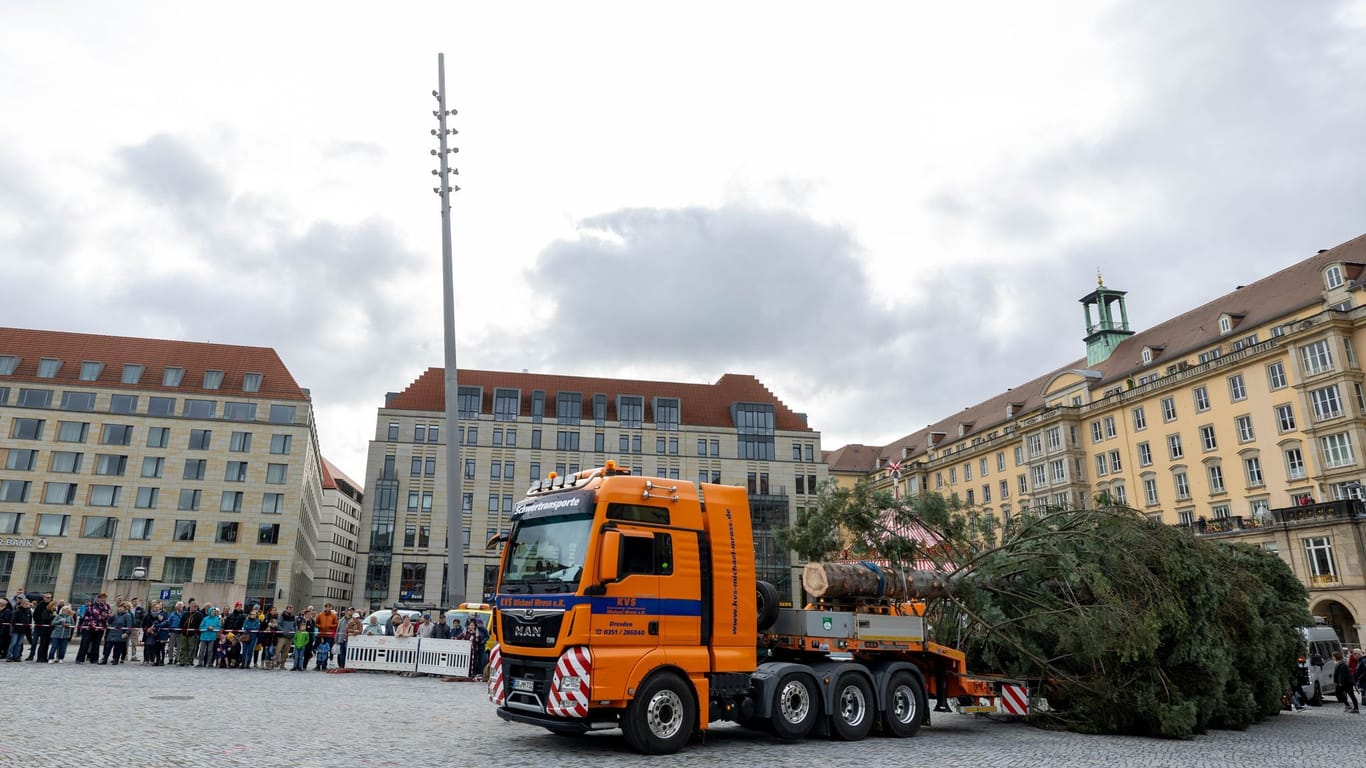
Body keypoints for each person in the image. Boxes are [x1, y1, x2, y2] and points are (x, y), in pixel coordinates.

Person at [29, 593, 53, 662]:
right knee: (37, 642)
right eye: (47, 597)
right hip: (40, 626)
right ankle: (38, 657)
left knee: (46, 643)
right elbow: (35, 615)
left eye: (49, 597)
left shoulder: (51, 605)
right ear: (44, 598)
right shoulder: (40, 604)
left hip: (48, 627)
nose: (48, 598)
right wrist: (39, 622)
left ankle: (45, 657)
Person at [275, 605, 297, 670]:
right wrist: (283, 631)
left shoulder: (293, 617)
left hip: (290, 637)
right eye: (289, 608)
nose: (290, 610)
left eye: (291, 609)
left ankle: (282, 664)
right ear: (286, 609)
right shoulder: (281, 616)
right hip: (282, 636)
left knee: (286, 652)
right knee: (278, 650)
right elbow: (278, 625)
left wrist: (294, 631)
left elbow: (295, 625)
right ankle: (275, 662)